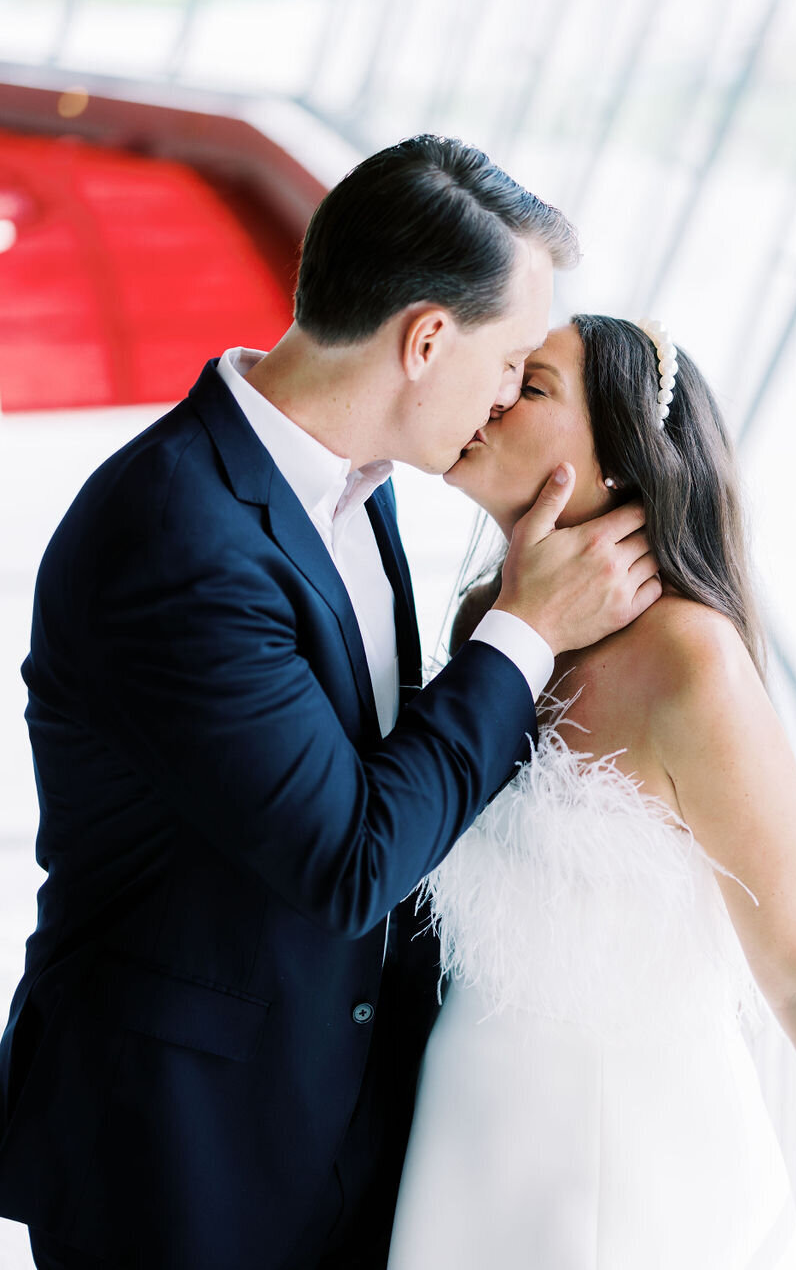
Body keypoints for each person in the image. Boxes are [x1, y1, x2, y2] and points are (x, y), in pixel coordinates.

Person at [0, 139, 662, 1270]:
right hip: (178, 1149)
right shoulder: (178, 535)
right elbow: (351, 856)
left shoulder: (356, 484)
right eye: (508, 362)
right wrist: (523, 630)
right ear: (426, 339)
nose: (506, 398)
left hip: (329, 1118)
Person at [386, 314, 796, 1270]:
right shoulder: (489, 624)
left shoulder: (688, 660)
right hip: (467, 1138)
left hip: (634, 1173)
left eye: (531, 386)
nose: (492, 396)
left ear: (623, 465)